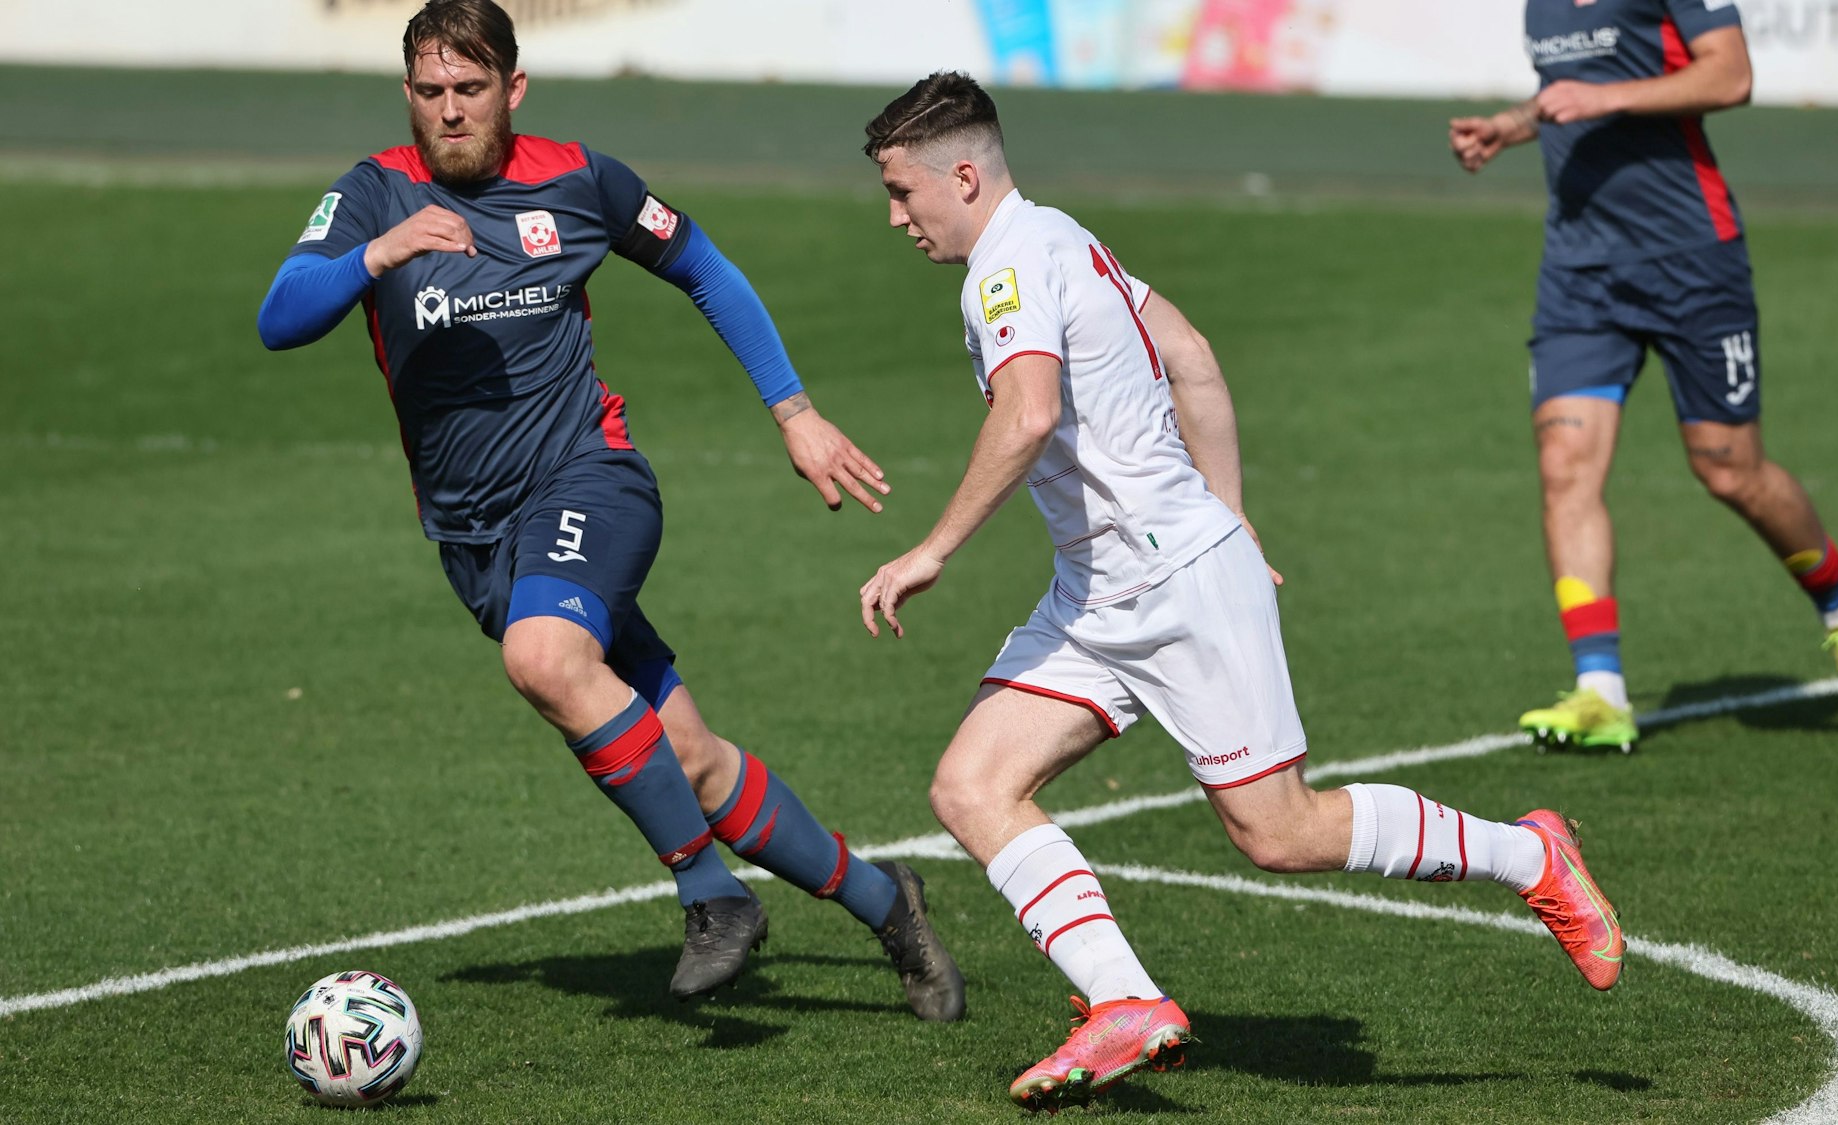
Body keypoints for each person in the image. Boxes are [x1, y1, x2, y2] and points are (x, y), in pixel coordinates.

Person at [856, 71, 1623, 1113]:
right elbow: (1194, 360)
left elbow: (1027, 414)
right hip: (1102, 590)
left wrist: (932, 547)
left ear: (962, 174)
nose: (894, 217)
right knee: (971, 787)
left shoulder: (1003, 271)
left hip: (1167, 582)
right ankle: (1123, 1003)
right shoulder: (1062, 237)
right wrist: (1232, 516)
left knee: (1278, 833)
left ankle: (1528, 854)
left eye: (902, 193)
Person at [256, 0, 962, 1021]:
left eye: (469, 89)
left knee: (544, 659)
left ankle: (711, 896)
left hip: (591, 481)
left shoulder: (580, 179)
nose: (449, 111)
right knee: (689, 758)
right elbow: (280, 318)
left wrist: (794, 412)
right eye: (429, 92)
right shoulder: (372, 195)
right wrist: (375, 256)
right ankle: (884, 901)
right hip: (476, 543)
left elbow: (703, 268)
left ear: (513, 89)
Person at [1448, 0, 1838, 752]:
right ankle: (1601, 690)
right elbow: (1573, 89)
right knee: (1565, 467)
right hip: (1580, 272)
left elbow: (1731, 74)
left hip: (1693, 262)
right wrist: (1515, 125)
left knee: (1730, 471)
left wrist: (1606, 96)